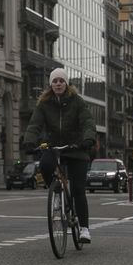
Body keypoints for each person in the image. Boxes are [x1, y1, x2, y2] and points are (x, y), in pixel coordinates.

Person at [20, 67, 97, 243]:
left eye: (61, 81)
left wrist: (88, 139)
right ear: (51, 84)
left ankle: (84, 229)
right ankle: (55, 192)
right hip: (54, 147)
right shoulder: (44, 104)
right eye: (55, 81)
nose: (58, 84)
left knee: (78, 189)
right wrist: (29, 141)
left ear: (66, 83)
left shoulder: (77, 101)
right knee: (45, 165)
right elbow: (34, 124)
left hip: (76, 147)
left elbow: (87, 121)